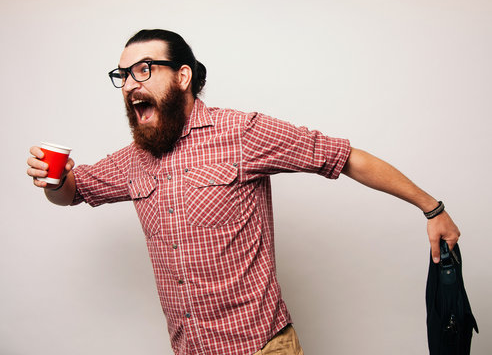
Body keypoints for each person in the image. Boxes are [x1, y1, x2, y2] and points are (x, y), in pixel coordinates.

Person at [26, 29, 460, 355]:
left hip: (261, 347)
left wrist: (432, 208)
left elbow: (344, 158)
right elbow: (74, 190)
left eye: (143, 69)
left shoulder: (242, 133)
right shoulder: (135, 158)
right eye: (123, 74)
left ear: (182, 76)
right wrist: (53, 178)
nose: (130, 83)